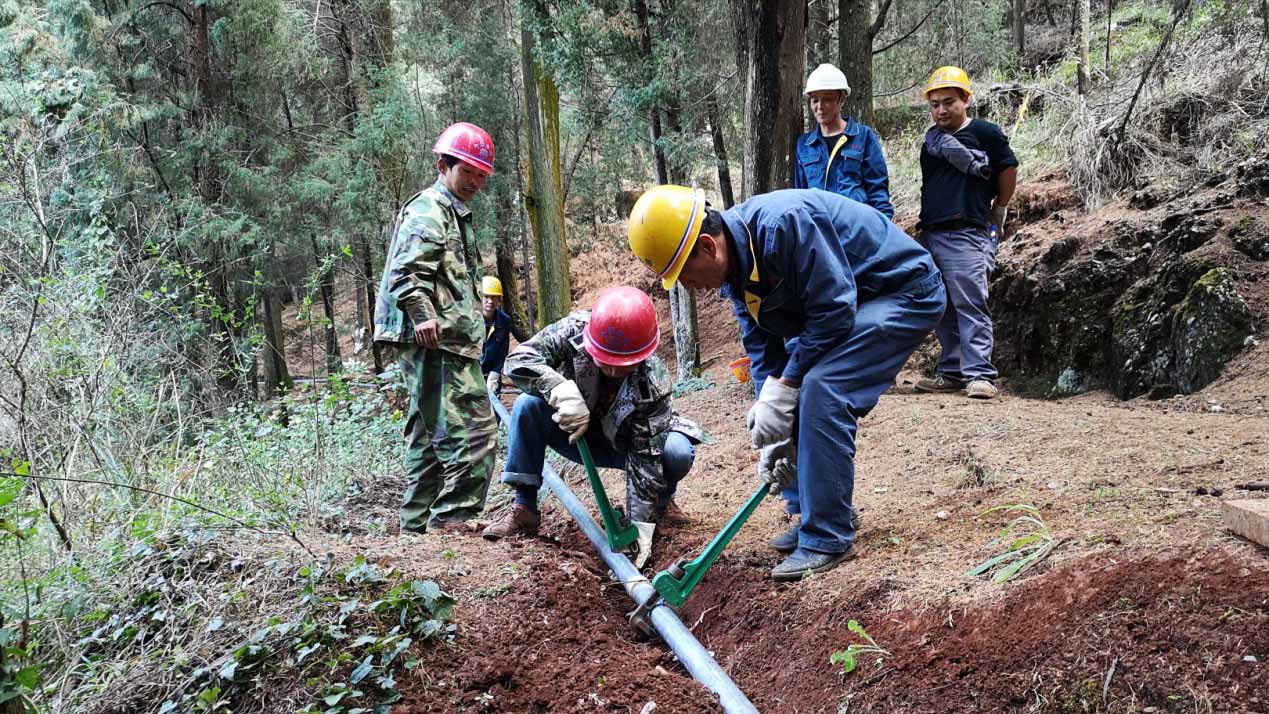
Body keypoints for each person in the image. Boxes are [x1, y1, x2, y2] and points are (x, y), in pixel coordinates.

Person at [627, 185, 945, 580]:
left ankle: (827, 535)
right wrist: (771, 428)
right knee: (789, 394)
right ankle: (808, 509)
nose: (688, 287)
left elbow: (833, 311)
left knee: (823, 389)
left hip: (903, 291)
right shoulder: (738, 274)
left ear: (708, 248)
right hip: (851, 302)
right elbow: (765, 356)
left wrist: (789, 384)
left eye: (684, 275)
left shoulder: (784, 225)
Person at [481, 286, 703, 568]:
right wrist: (557, 387)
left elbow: (647, 454)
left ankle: (662, 504)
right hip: (576, 433)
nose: (611, 370)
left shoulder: (654, 380)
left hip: (626, 444)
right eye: (605, 360)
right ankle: (524, 507)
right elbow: (518, 361)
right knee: (526, 405)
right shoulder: (573, 329)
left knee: (676, 451)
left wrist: (641, 526)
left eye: (620, 365)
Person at [372, 122, 498, 534]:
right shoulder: (430, 208)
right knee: (475, 436)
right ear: (444, 165)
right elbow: (405, 272)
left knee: (428, 440)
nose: (476, 182)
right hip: (435, 340)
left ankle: (416, 532)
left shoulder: (450, 211)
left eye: (482, 175)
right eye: (468, 172)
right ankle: (454, 529)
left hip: (443, 340)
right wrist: (423, 314)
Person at [913, 66, 1018, 401]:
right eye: (935, 104)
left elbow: (1008, 168)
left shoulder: (985, 133)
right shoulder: (931, 143)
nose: (941, 110)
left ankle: (980, 374)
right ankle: (953, 371)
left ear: (965, 100)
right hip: (932, 233)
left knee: (970, 301)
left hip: (968, 232)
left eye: (948, 102)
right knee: (941, 306)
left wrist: (999, 207)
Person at [793, 63, 894, 219]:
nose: (820, 107)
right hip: (819, 233)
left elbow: (878, 190)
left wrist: (883, 230)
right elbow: (800, 197)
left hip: (857, 229)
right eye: (814, 100)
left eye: (827, 99)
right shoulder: (804, 145)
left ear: (841, 99)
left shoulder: (863, 136)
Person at [479, 276, 513, 395]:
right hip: (472, 373)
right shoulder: (470, 319)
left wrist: (495, 374)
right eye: (486, 297)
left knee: (493, 407)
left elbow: (502, 351)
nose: (490, 301)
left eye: (494, 297)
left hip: (491, 374)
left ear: (499, 300)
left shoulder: (504, 321)